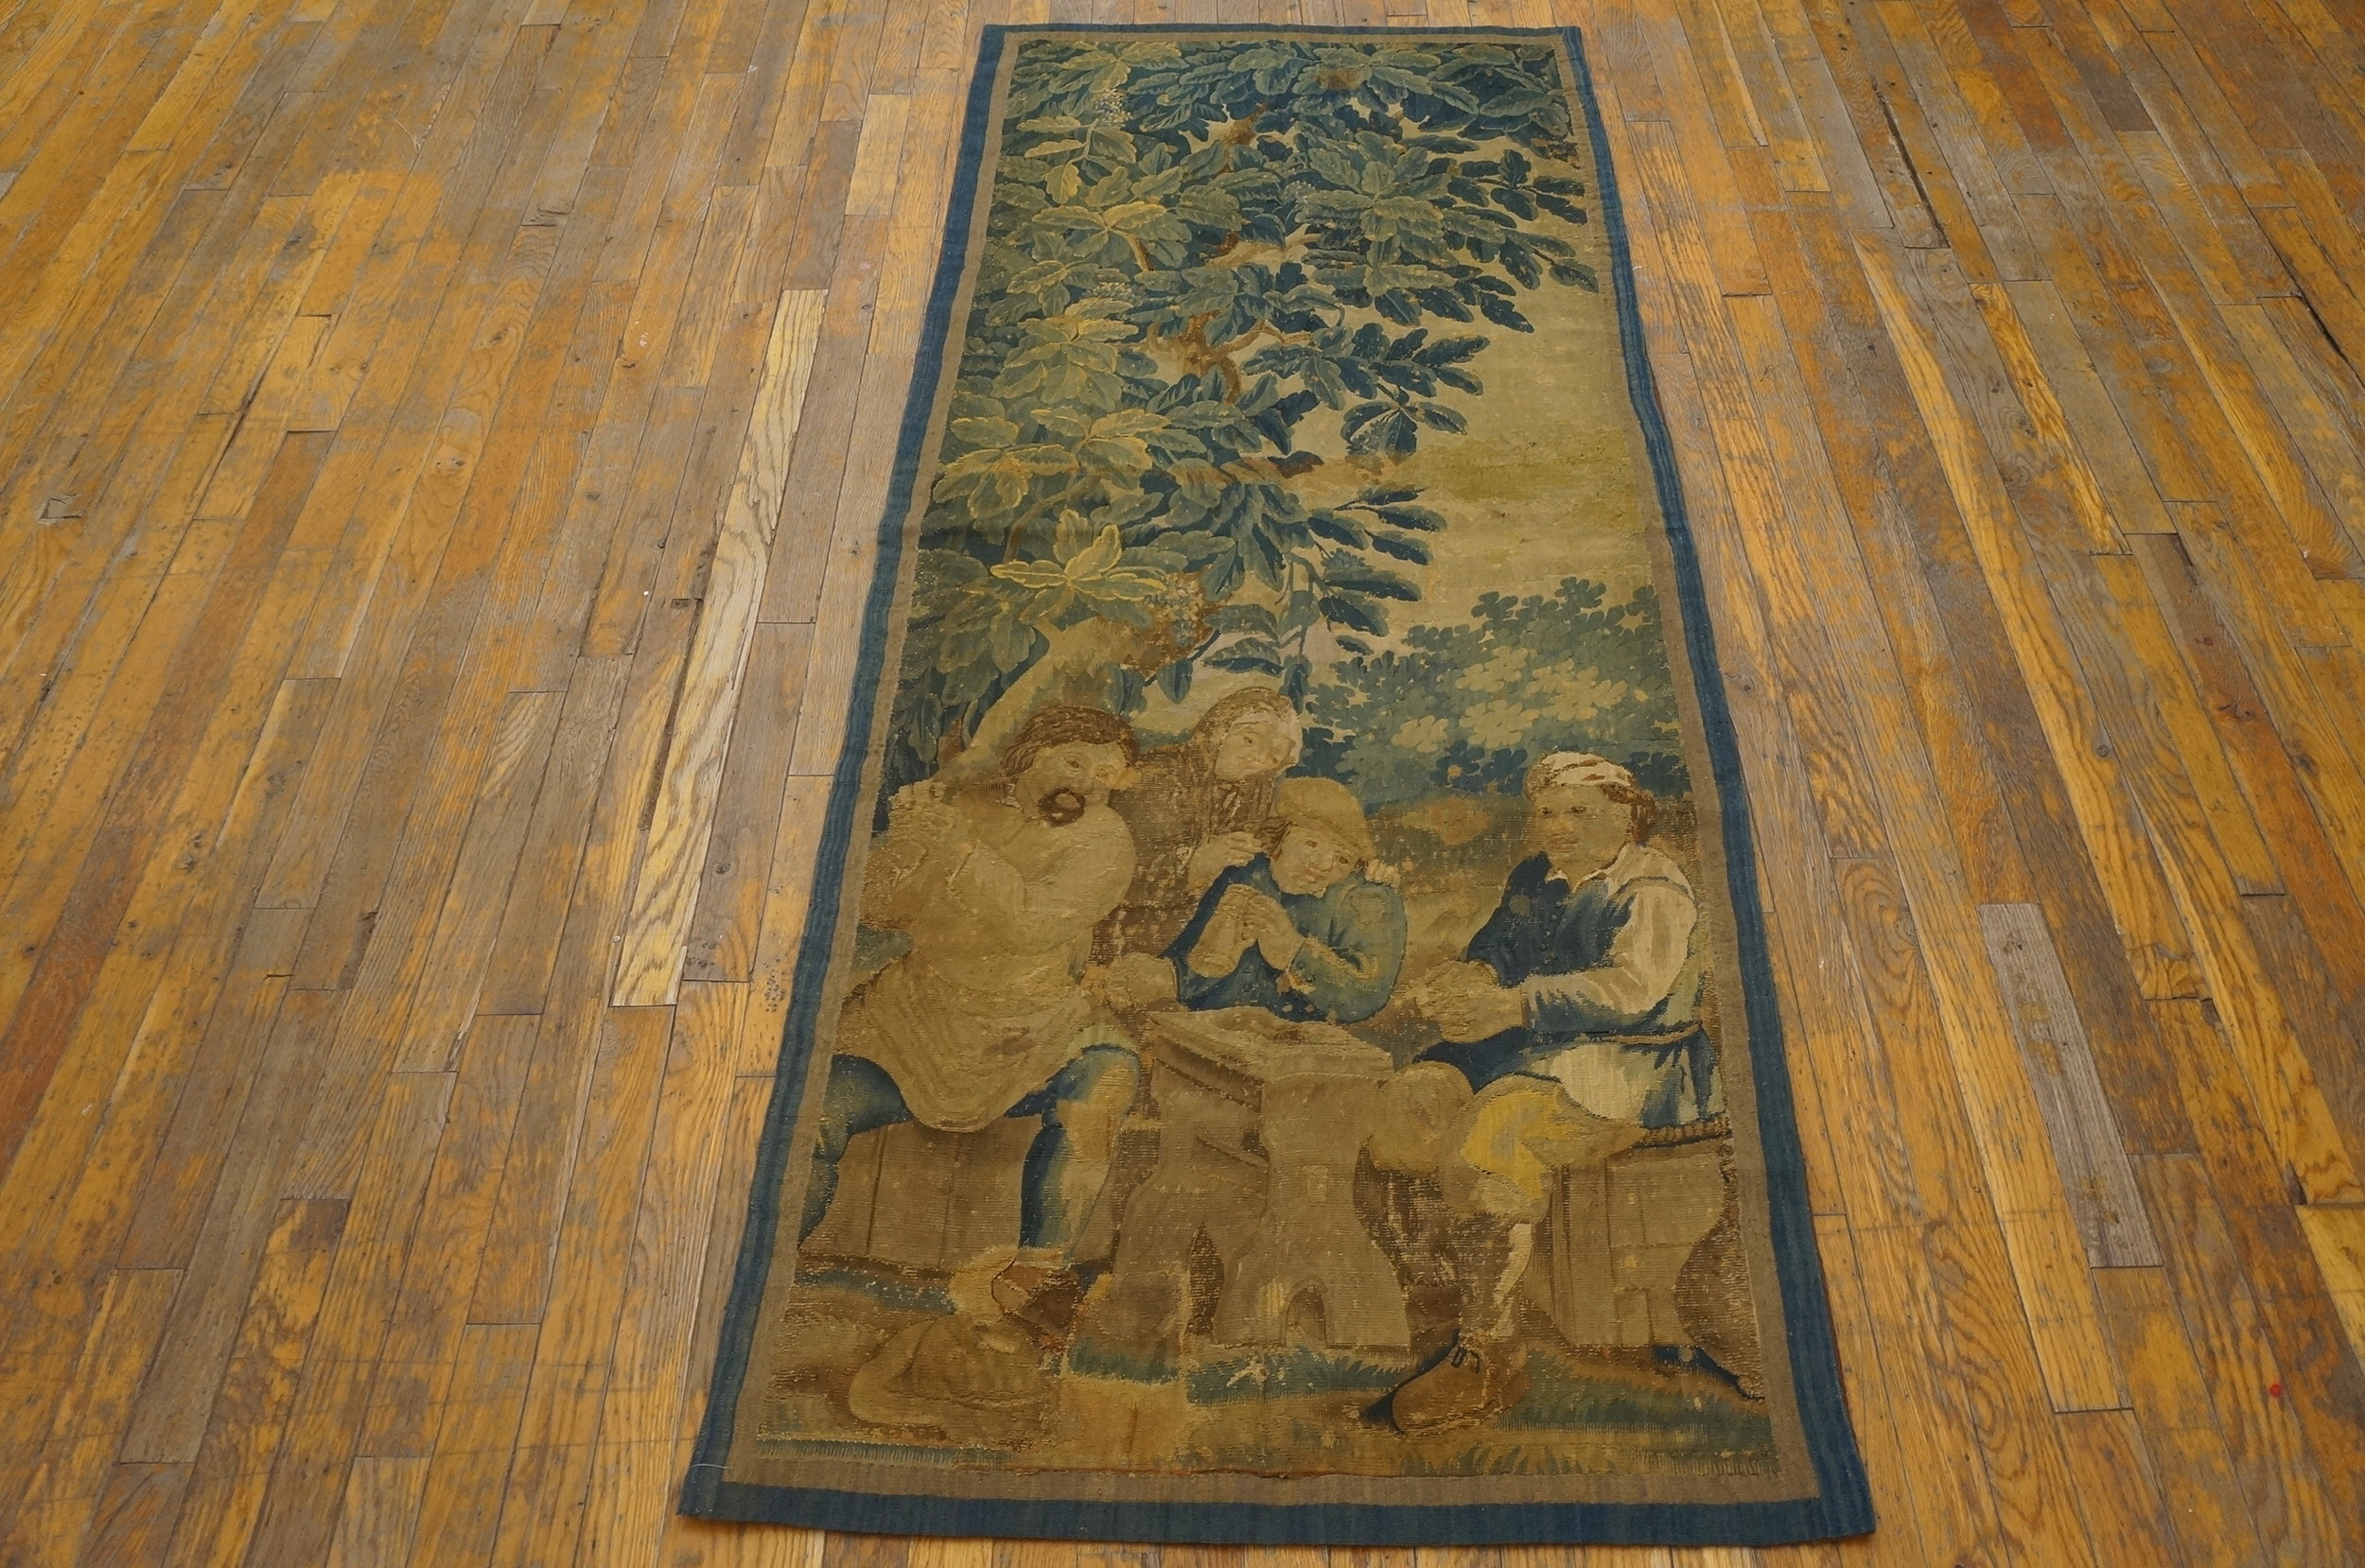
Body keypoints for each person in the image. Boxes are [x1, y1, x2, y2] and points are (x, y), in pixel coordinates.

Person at [1367, 752, 1714, 1434]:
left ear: (1626, 816)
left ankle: (1488, 1352)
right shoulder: (1538, 875)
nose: (1559, 827)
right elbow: (1502, 944)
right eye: (1548, 813)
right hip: (1528, 1048)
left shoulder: (1652, 890)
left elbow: (1634, 992)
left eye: (1579, 812)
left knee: (1492, 1137)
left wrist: (1511, 1006)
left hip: (1626, 1067)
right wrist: (1469, 979)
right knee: (1409, 1103)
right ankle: (1441, 1287)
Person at [803, 705, 1145, 1344]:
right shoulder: (963, 809)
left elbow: (1032, 924)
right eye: (1075, 762)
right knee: (814, 1111)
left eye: (1105, 776)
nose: (1087, 785)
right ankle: (772, 1260)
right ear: (1031, 755)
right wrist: (907, 843)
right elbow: (878, 908)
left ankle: (1035, 1276)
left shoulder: (1104, 839)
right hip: (916, 1018)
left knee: (1108, 1074)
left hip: (1034, 1026)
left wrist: (956, 849)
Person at [1166, 775, 1406, 1026]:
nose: (1324, 865)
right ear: (1280, 836)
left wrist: (1294, 952)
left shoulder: (1368, 900)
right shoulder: (1244, 872)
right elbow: (1184, 967)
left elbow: (1366, 995)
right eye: (1312, 843)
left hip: (1296, 1042)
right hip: (1204, 1029)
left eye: (1342, 859)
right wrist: (1199, 963)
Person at [1097, 687, 1304, 962]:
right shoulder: (1160, 776)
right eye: (1250, 740)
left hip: (1180, 946)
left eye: (1273, 757)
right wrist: (1198, 864)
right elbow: (1114, 877)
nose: (1258, 758)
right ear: (1220, 731)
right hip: (1115, 936)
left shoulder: (1252, 796)